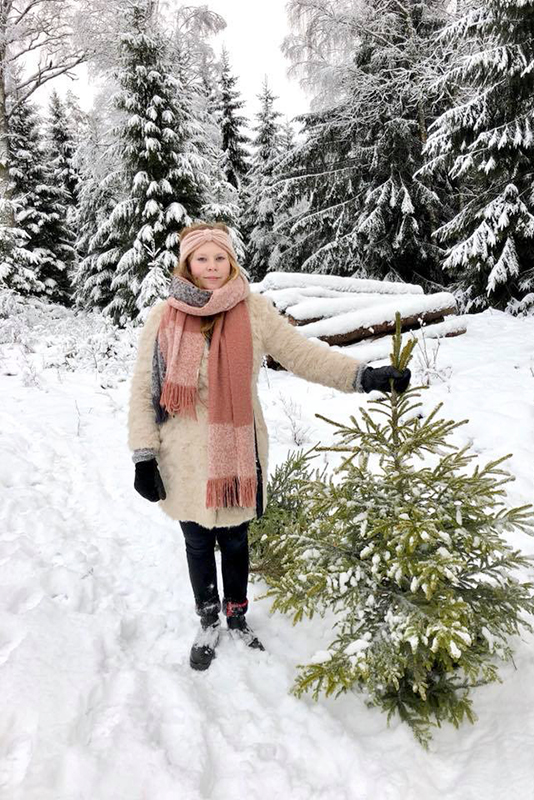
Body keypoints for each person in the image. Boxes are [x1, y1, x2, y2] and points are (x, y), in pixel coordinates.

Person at [128, 221, 411, 671]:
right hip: (180, 452)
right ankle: (207, 620)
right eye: (202, 259)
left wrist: (362, 377)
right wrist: (143, 455)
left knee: (236, 540)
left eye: (220, 258)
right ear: (187, 264)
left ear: (231, 261)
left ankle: (237, 617)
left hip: (238, 447)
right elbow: (145, 388)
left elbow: (302, 354)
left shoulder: (254, 311)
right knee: (197, 542)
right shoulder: (163, 317)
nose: (212, 267)